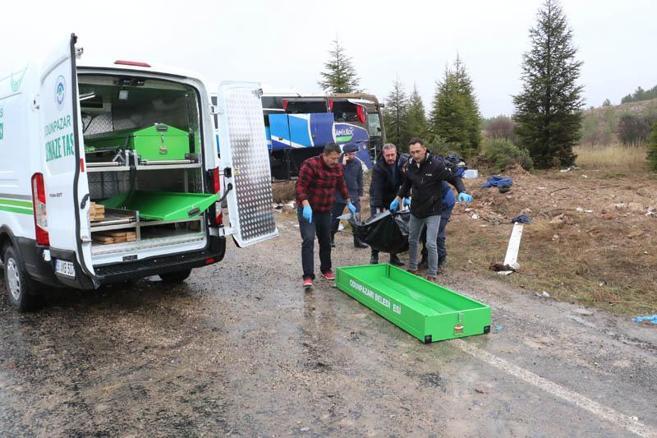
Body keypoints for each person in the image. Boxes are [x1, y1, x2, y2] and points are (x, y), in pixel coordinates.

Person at [390, 138, 473, 281]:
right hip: (416, 209)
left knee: (430, 242)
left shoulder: (436, 165)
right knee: (412, 239)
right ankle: (412, 267)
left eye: (418, 151)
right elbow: (407, 183)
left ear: (424, 149)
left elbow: (454, 178)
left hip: (433, 209)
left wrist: (461, 191)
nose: (415, 155)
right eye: (412, 152)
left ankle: (432, 273)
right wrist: (398, 198)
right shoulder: (410, 164)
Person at [296, 143, 357, 290]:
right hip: (308, 209)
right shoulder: (310, 164)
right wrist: (305, 204)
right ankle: (308, 276)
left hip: (325, 210)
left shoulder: (336, 168)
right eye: (332, 159)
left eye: (337, 158)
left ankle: (326, 269)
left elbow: (341, 185)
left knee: (326, 240)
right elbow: (300, 186)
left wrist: (349, 202)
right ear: (325, 155)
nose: (335, 162)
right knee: (309, 239)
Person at [419, 153, 466, 272]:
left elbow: (455, 178)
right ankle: (426, 258)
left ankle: (439, 260)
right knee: (425, 230)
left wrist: (461, 191)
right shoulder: (411, 170)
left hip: (445, 202)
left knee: (435, 231)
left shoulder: (434, 167)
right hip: (430, 203)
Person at [369, 143, 405, 266]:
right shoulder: (379, 167)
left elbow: (406, 181)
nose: (390, 158)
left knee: (394, 228)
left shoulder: (402, 162)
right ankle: (374, 254)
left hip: (394, 197)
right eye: (387, 155)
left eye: (392, 155)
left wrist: (406, 197)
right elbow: (377, 188)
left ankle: (393, 256)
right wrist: (379, 207)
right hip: (378, 197)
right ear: (383, 155)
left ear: (396, 153)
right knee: (376, 227)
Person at [331, 144, 367, 249]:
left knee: (356, 218)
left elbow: (360, 179)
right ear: (345, 153)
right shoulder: (338, 163)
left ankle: (358, 240)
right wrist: (343, 165)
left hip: (353, 194)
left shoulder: (357, 163)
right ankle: (331, 238)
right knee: (335, 218)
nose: (353, 155)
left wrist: (360, 193)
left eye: (354, 153)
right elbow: (336, 177)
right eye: (351, 153)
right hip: (339, 194)